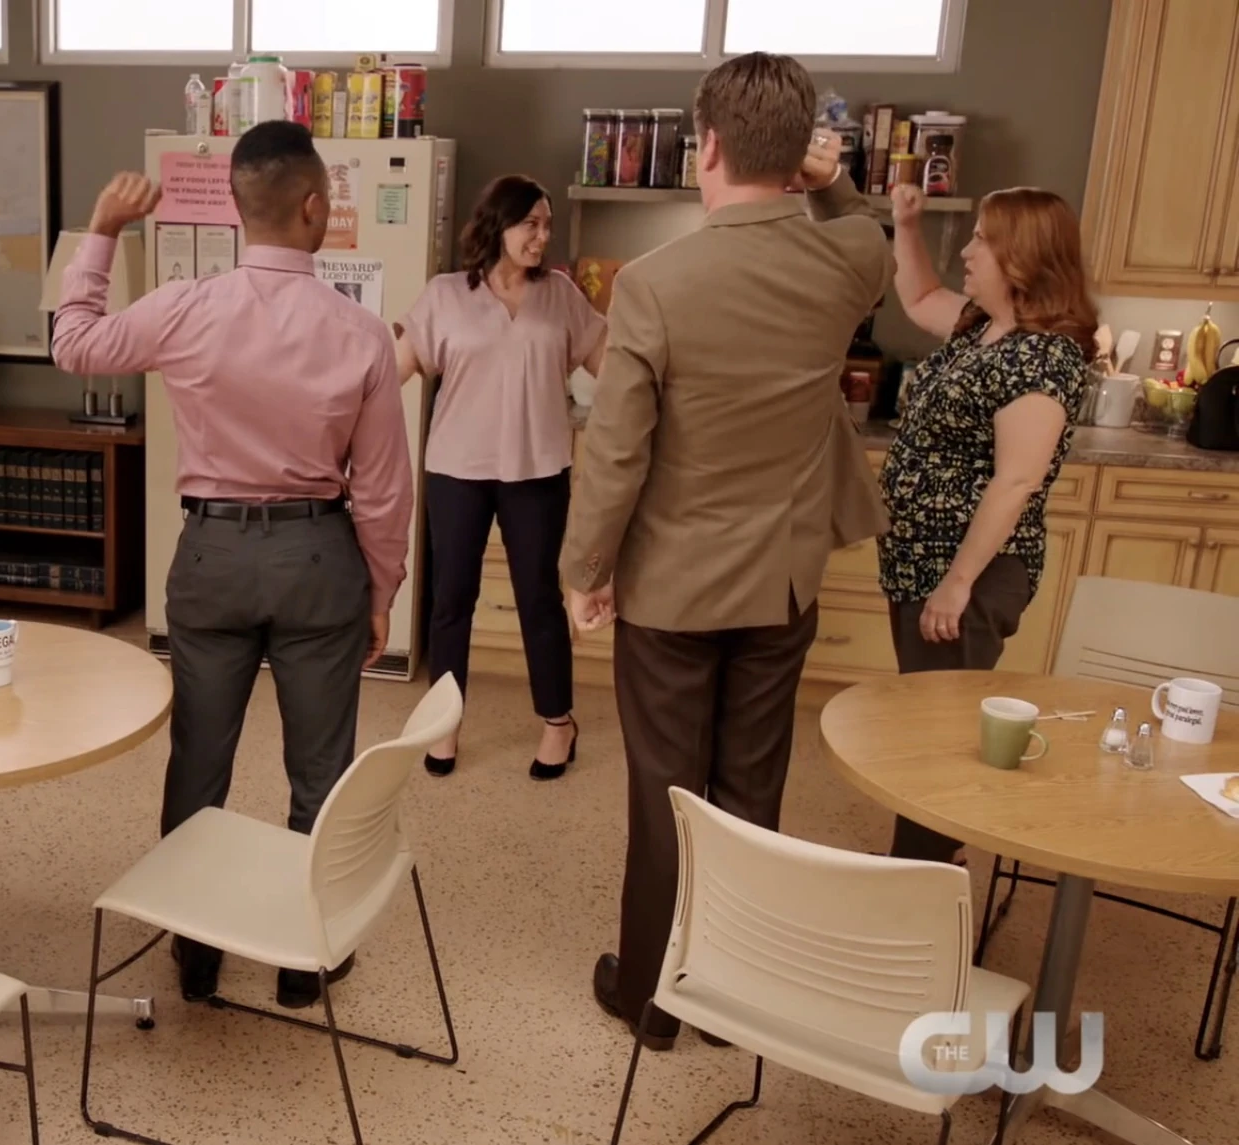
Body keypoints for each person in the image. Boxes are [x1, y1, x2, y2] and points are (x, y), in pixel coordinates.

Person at [559, 52, 892, 1052]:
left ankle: (653, 999)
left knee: (667, 794)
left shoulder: (655, 284)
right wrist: (829, 178)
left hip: (672, 587)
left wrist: (584, 570)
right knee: (750, 792)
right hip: (782, 580)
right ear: (797, 154)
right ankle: (732, 996)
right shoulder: (845, 262)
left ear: (705, 146)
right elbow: (865, 229)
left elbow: (617, 451)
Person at [52, 120, 415, 1010]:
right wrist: (382, 589)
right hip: (318, 558)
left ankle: (196, 947)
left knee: (199, 761)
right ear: (314, 207)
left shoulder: (186, 306)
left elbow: (75, 345)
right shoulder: (362, 333)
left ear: (238, 210)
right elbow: (383, 489)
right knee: (320, 771)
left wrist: (102, 232)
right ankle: (302, 958)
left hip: (211, 556)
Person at [877, 181, 1097, 864]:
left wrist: (957, 582)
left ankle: (918, 883)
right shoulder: (983, 327)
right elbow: (919, 296)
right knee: (928, 724)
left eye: (981, 239)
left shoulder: (1042, 357)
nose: (967, 251)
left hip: (968, 573)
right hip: (924, 563)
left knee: (941, 736)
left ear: (1021, 257)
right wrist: (905, 224)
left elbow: (1017, 480)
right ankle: (920, 873)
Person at [393, 174, 606, 780]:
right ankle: (444, 723)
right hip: (456, 470)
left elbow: (613, 363)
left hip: (537, 470)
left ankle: (558, 722)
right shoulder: (444, 295)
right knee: (451, 601)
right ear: (498, 224)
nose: (542, 236)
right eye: (530, 224)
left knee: (539, 599)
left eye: (547, 225)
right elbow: (392, 371)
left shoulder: (561, 295)